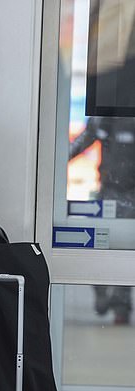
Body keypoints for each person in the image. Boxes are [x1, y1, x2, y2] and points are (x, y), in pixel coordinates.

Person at [69, 116, 135, 325]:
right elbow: (79, 144)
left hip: (131, 193)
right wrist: (51, 162)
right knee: (98, 244)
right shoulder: (104, 118)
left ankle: (121, 306)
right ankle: (101, 290)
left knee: (126, 249)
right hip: (108, 191)